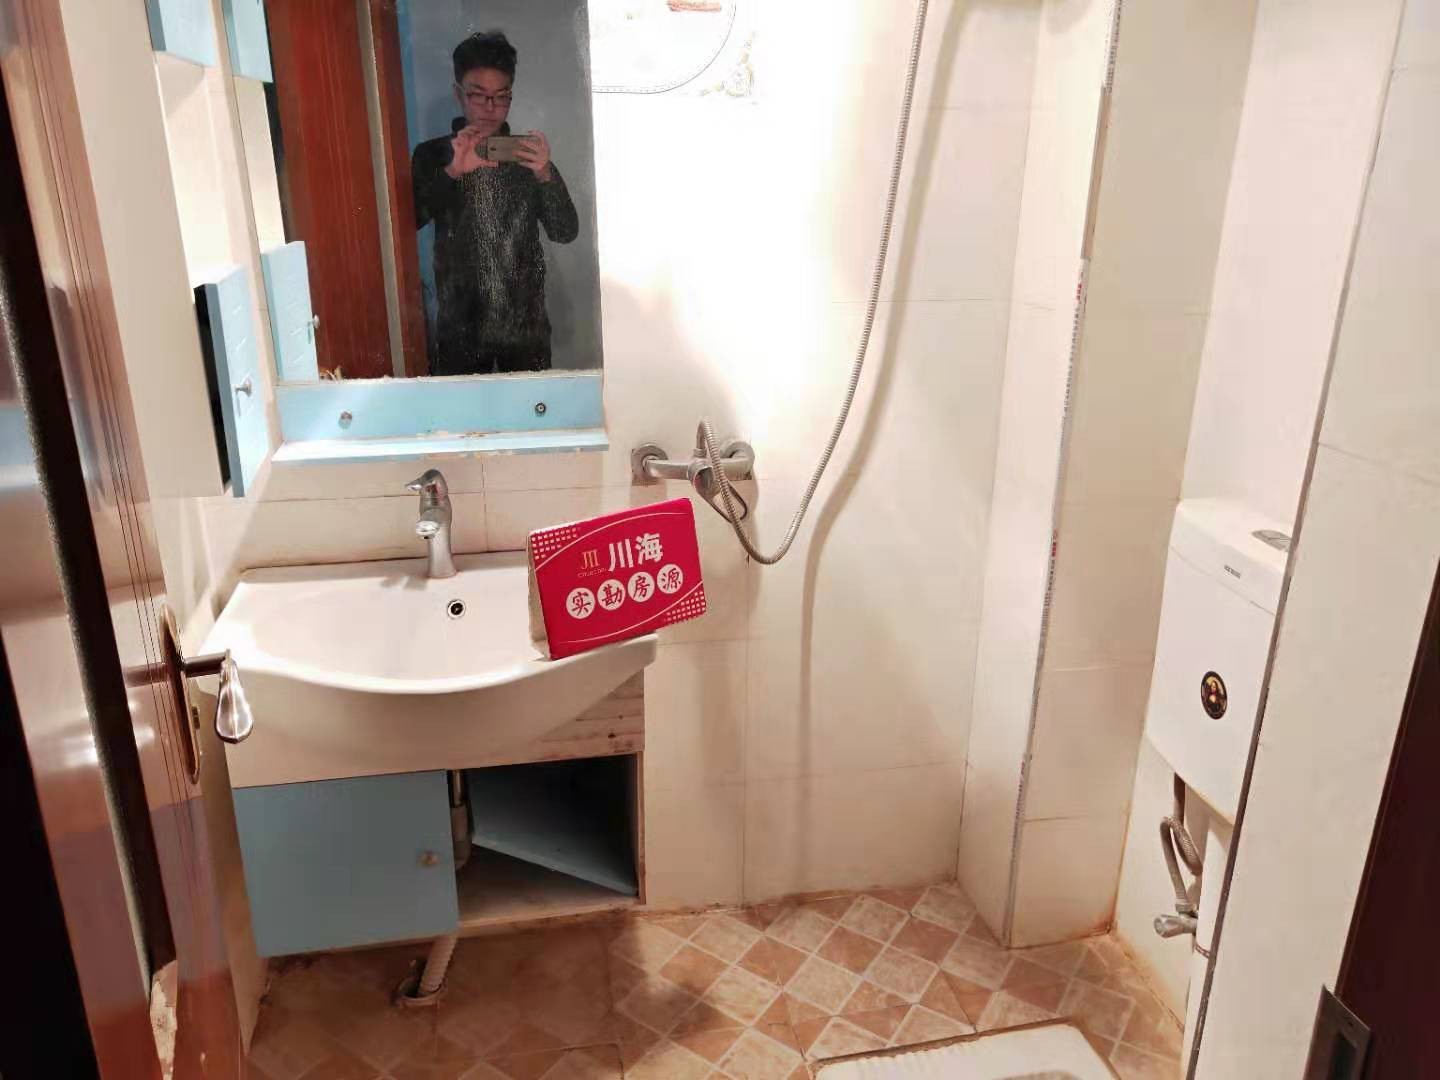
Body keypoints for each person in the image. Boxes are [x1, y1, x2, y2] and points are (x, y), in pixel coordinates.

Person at [412, 32, 579, 375]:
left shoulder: (527, 158)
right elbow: (411, 220)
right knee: (463, 408)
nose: (490, 108)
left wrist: (545, 175)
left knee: (530, 408)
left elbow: (565, 231)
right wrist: (452, 172)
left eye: (501, 97)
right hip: (460, 324)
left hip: (525, 327)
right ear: (459, 93)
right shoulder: (434, 154)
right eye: (478, 95)